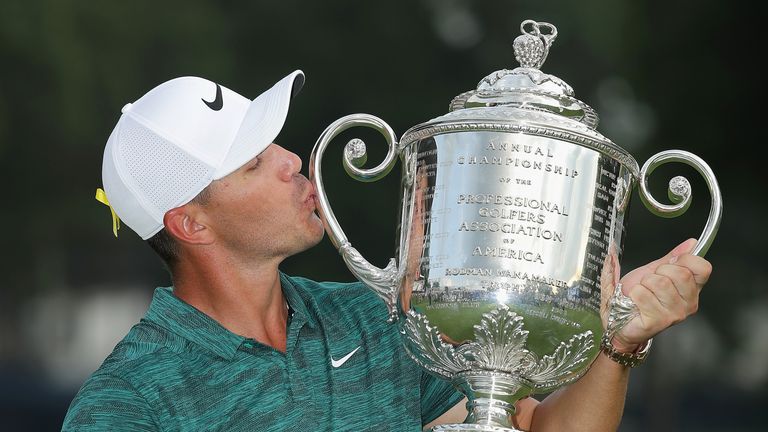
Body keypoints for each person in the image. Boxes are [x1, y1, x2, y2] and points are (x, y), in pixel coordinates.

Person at [62, 70, 712, 431]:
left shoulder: (375, 320)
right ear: (192, 224)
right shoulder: (128, 404)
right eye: (255, 164)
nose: (293, 160)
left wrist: (620, 342)